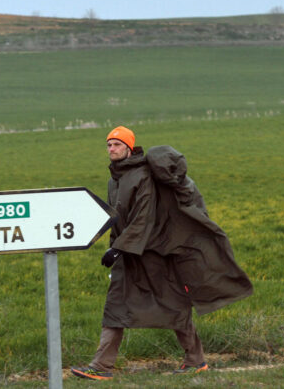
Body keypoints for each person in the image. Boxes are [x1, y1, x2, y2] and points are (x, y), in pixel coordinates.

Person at [71, 126, 253, 381]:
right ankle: (101, 365)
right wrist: (115, 246)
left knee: (174, 306)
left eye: (117, 144)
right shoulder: (115, 179)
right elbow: (118, 219)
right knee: (115, 307)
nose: (111, 149)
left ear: (129, 147)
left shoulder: (141, 175)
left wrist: (117, 248)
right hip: (130, 254)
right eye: (109, 144)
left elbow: (143, 218)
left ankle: (195, 359)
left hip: (155, 254)